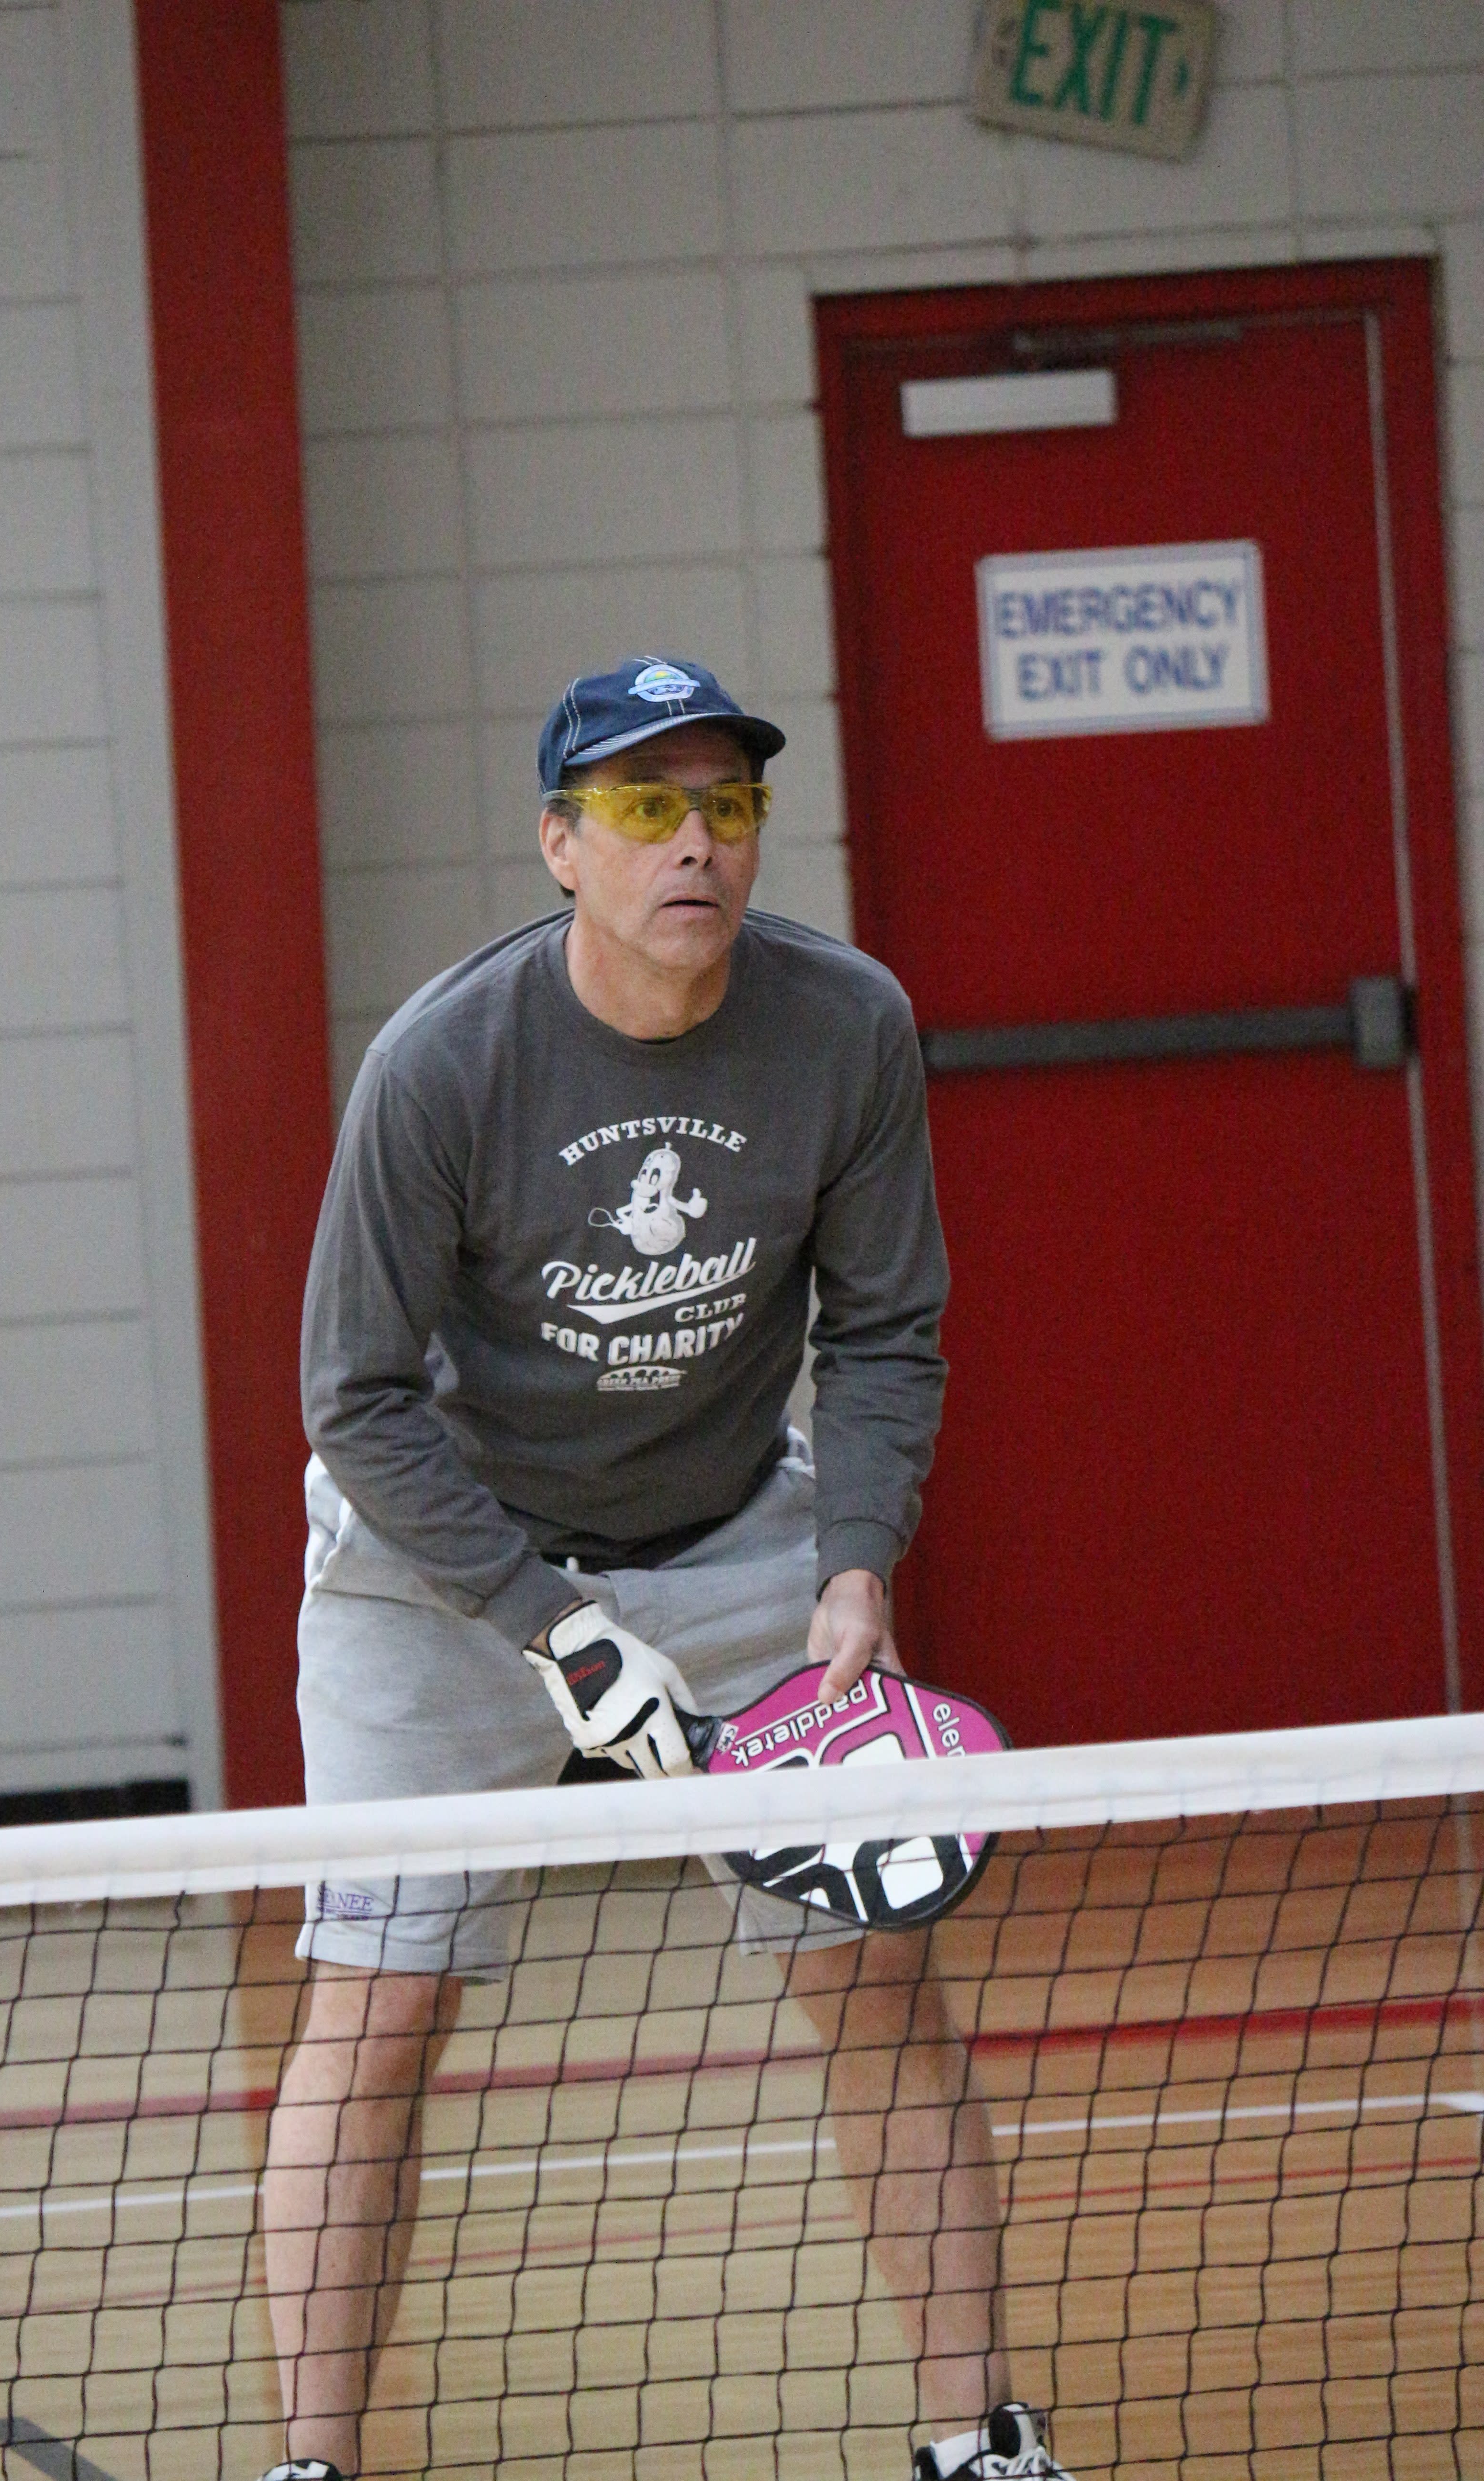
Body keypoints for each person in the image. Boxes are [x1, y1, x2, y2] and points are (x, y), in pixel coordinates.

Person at [257, 658, 1070, 2481]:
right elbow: (355, 1401)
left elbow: (885, 1335)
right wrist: (548, 1624)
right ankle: (314, 2464)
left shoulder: (846, 1025)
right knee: (378, 2009)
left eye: (724, 805)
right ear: (563, 845)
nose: (692, 842)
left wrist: (856, 1568)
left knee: (876, 1976)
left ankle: (980, 2443)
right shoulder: (441, 1067)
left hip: (729, 1541)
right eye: (642, 808)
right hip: (437, 1567)